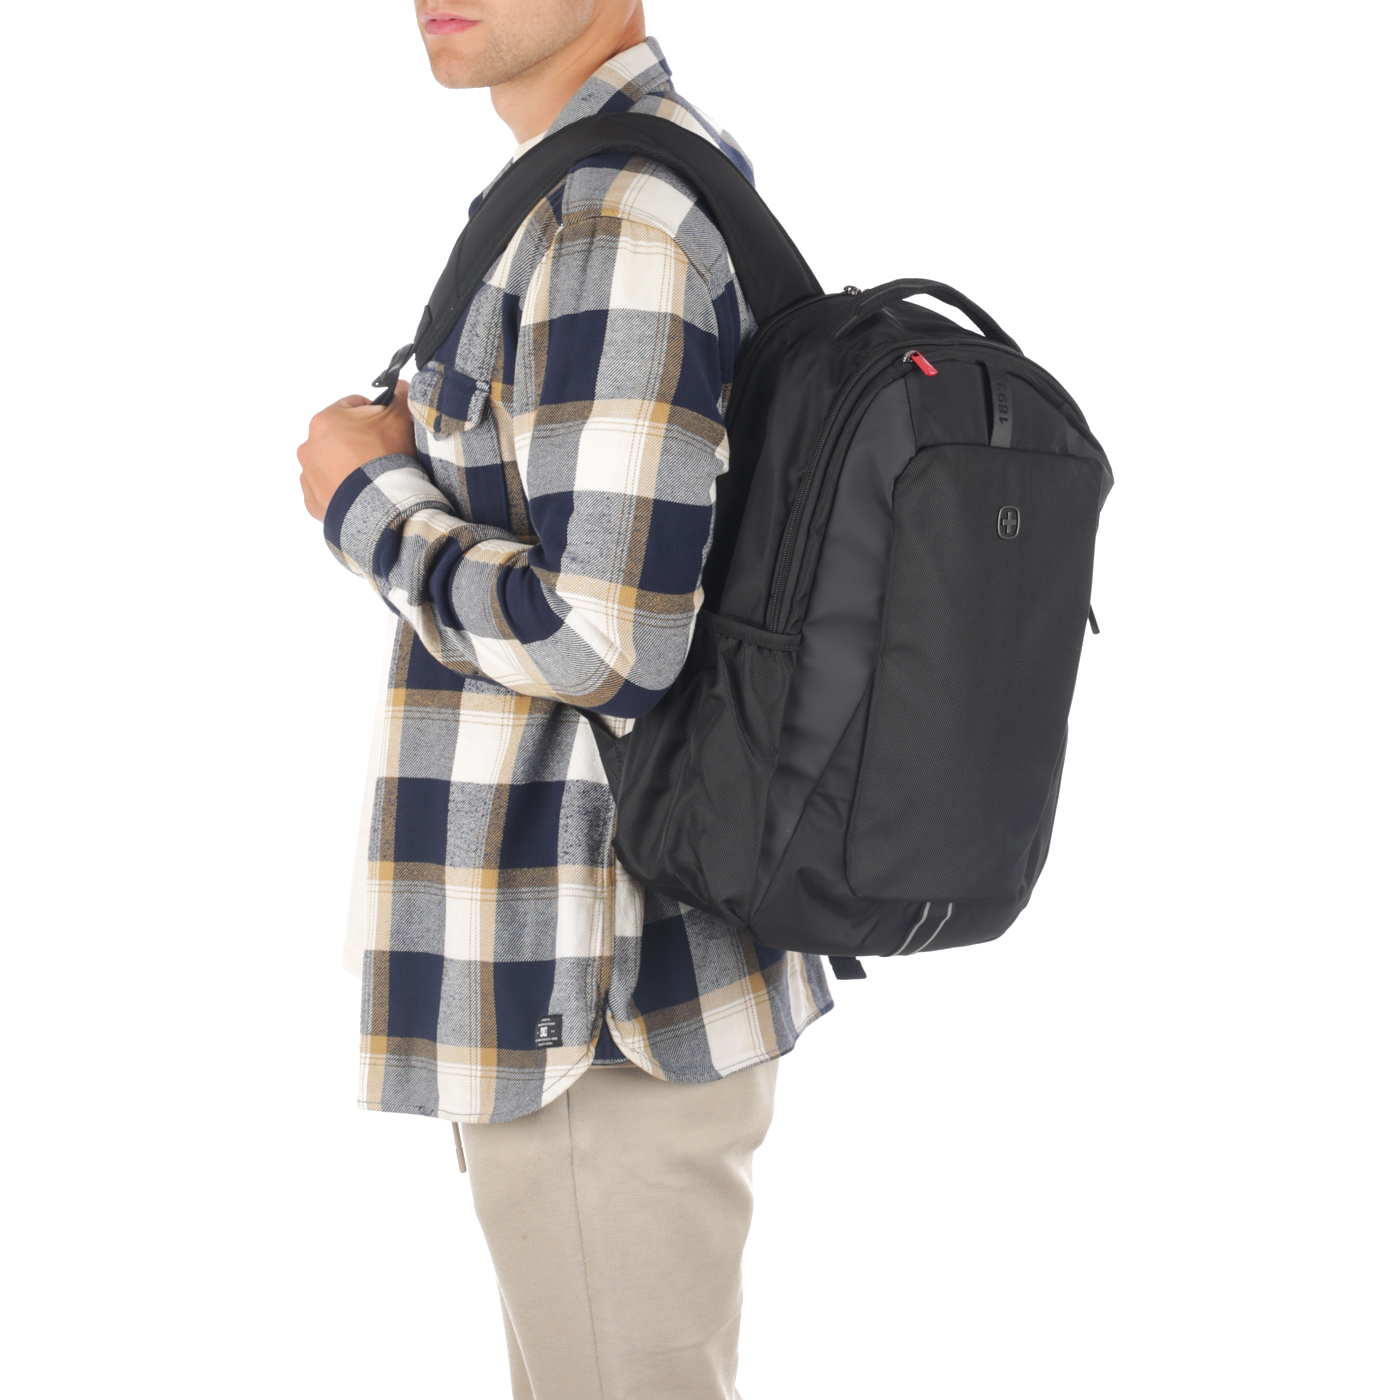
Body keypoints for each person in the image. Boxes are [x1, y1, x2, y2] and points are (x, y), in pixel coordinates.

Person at [296, 4, 832, 1397]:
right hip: (593, 988)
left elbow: (608, 641)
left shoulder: (613, 220)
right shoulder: (605, 184)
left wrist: (364, 503)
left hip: (594, 1011)